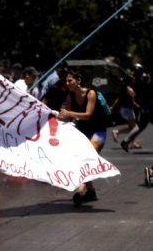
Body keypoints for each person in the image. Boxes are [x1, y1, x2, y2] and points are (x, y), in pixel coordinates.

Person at [59, 69, 107, 206]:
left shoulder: (90, 93)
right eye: (66, 81)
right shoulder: (70, 96)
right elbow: (68, 117)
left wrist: (69, 113)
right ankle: (91, 191)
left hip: (98, 131)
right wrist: (58, 115)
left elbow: (88, 115)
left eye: (70, 80)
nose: (67, 83)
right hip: (83, 132)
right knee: (83, 161)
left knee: (89, 157)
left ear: (78, 81)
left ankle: (80, 191)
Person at [110, 74, 140, 152]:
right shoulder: (129, 89)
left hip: (123, 109)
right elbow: (133, 102)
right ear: (130, 81)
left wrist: (113, 107)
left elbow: (118, 99)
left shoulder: (124, 88)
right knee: (135, 128)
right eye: (133, 79)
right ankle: (131, 142)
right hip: (128, 110)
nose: (134, 80)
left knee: (132, 128)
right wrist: (140, 107)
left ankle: (118, 133)